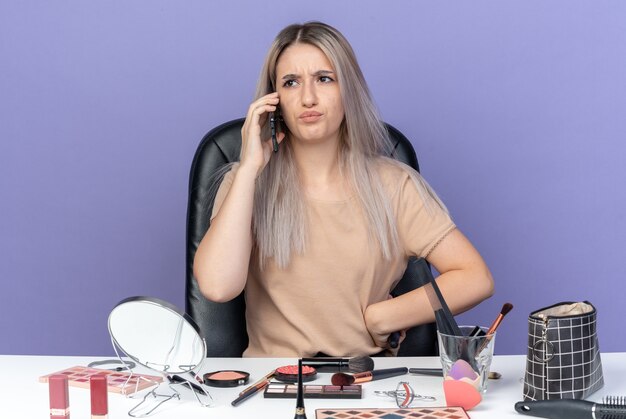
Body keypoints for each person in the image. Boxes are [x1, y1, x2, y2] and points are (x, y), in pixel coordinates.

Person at [194, 21, 494, 357]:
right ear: (274, 101)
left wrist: (383, 317)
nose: (308, 98)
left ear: (347, 90)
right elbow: (217, 287)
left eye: (324, 79)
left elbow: (475, 277)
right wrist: (249, 169)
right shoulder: (245, 184)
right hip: (273, 384)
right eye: (291, 83)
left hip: (369, 381)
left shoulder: (394, 185)